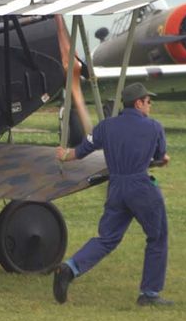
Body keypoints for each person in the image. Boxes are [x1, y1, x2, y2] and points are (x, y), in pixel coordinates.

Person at [53, 82, 173, 306]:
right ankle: (149, 294)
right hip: (141, 187)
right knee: (157, 237)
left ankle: (69, 268)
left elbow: (79, 153)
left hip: (116, 187)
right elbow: (159, 157)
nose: (150, 106)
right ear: (138, 103)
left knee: (107, 238)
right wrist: (163, 161)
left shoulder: (106, 126)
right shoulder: (154, 127)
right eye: (148, 102)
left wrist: (63, 155)